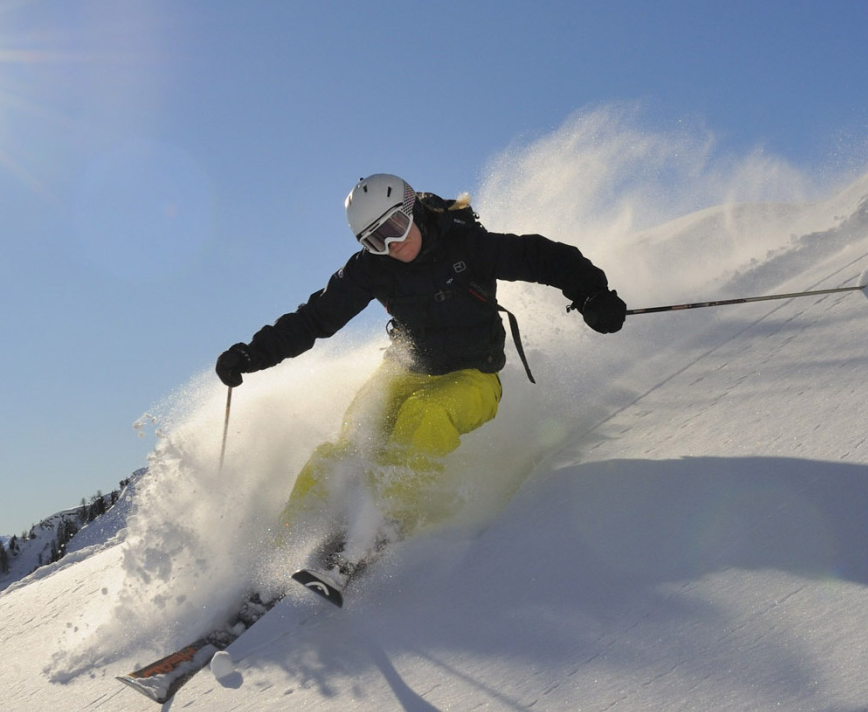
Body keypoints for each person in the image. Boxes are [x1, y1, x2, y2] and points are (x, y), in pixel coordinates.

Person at [215, 173, 625, 554]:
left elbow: (543, 257)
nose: (392, 247)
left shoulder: (467, 245)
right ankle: (284, 548)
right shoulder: (371, 270)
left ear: (411, 210)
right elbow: (314, 318)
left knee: (425, 415)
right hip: (406, 370)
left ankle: (386, 524)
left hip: (474, 376)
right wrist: (255, 353)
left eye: (394, 229)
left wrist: (593, 294)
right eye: (376, 241)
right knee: (348, 448)